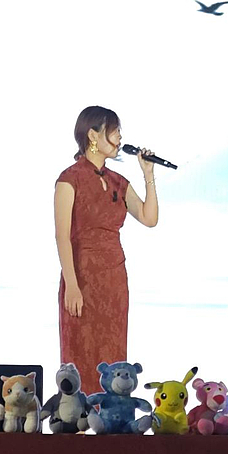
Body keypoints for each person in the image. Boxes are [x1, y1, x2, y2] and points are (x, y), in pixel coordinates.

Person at [54, 106, 158, 393]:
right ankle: (79, 412)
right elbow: (62, 236)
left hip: (113, 279)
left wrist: (148, 174)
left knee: (113, 352)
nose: (120, 137)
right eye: (114, 131)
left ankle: (112, 413)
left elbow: (149, 218)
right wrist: (72, 285)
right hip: (82, 277)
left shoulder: (117, 182)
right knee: (81, 350)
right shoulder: (69, 179)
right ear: (93, 135)